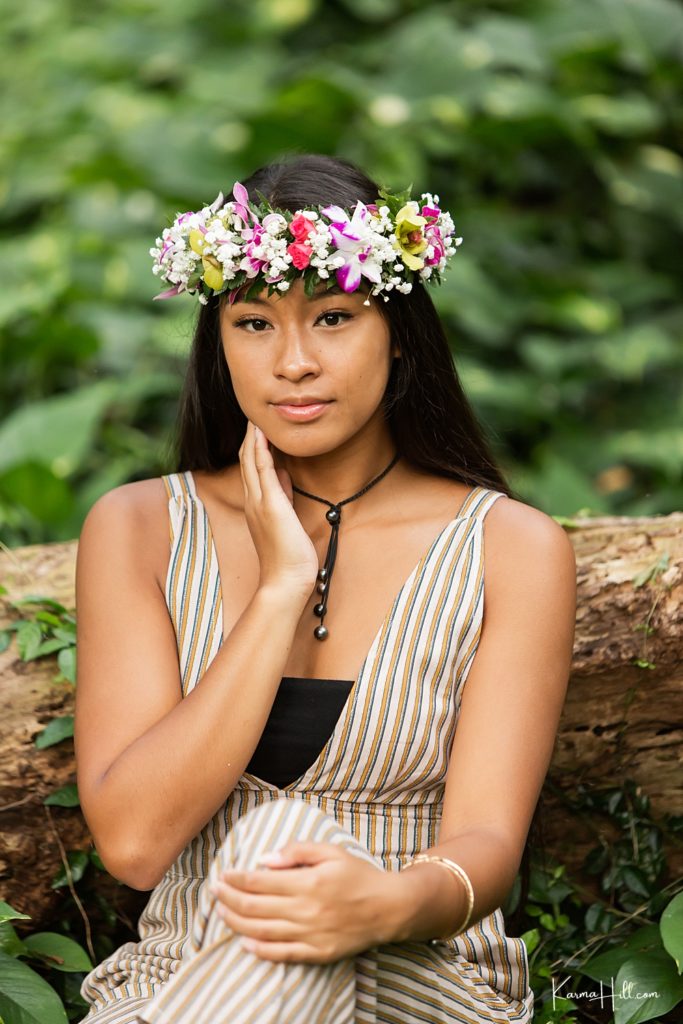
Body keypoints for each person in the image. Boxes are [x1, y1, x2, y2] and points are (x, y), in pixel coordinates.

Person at [74, 152, 576, 1024]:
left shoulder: (509, 547)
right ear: (217, 340)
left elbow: (488, 844)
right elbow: (135, 842)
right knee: (278, 846)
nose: (293, 362)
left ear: (398, 332)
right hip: (188, 981)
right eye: (255, 324)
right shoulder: (139, 528)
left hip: (420, 979)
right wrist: (278, 593)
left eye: (335, 316)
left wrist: (382, 904)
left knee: (282, 840)